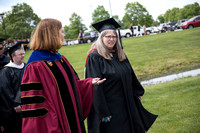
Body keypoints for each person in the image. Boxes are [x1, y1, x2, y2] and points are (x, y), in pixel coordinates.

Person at [20, 18, 105, 133]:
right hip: (54, 127)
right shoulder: (35, 67)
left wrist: (87, 83)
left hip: (71, 122)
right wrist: (53, 128)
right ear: (52, 34)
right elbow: (36, 108)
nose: (64, 35)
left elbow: (71, 87)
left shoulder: (61, 60)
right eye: (62, 32)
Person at [85, 18, 157, 133]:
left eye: (114, 36)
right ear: (101, 38)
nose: (111, 39)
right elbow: (95, 86)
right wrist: (103, 111)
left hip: (128, 104)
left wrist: (137, 91)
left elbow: (130, 74)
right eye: (108, 36)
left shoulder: (120, 54)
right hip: (111, 109)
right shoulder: (95, 57)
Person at [0, 42, 25, 133]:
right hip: (14, 109)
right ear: (13, 56)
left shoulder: (26, 67)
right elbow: (5, 90)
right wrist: (15, 104)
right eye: (20, 54)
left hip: (27, 105)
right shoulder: (6, 71)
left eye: (23, 54)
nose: (23, 56)